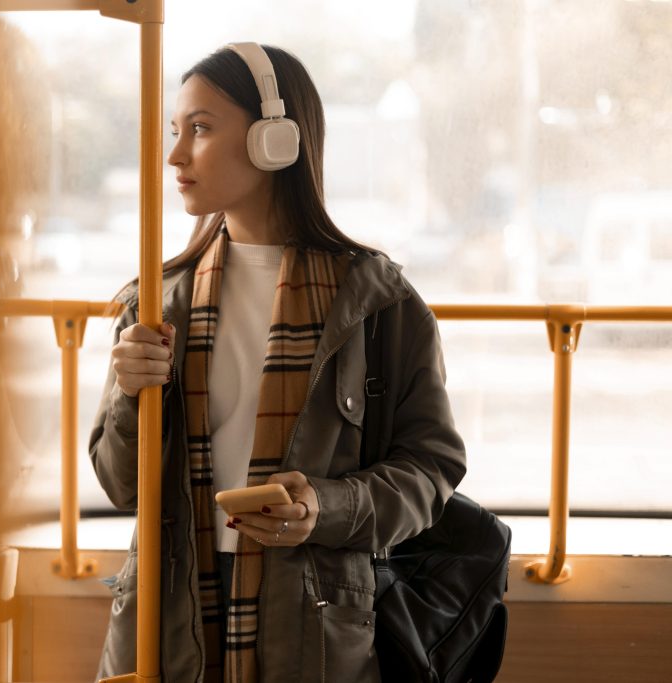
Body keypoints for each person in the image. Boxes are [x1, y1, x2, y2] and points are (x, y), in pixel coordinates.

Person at [90, 42, 466, 683]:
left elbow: (431, 470)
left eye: (201, 129)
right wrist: (131, 393)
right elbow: (122, 486)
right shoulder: (156, 302)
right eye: (174, 131)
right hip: (169, 617)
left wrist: (327, 507)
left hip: (314, 622)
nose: (175, 155)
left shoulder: (379, 304)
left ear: (276, 140)